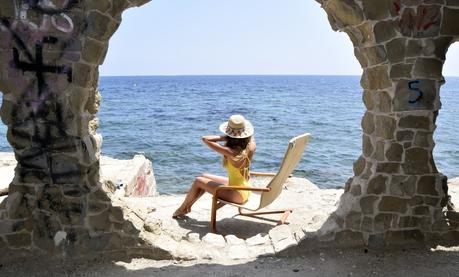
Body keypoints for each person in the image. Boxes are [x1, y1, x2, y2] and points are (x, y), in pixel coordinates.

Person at [173, 114, 256, 218]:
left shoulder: (230, 151)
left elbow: (205, 139)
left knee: (199, 181)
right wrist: (235, 136)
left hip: (237, 194)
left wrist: (226, 137)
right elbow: (250, 137)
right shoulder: (250, 146)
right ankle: (187, 207)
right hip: (245, 188)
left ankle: (182, 209)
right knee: (203, 176)